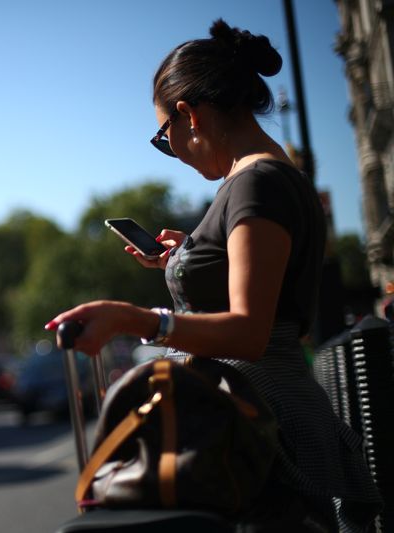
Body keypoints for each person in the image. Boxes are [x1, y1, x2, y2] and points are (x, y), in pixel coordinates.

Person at [45, 19, 381, 532]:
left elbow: (250, 331)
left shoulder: (256, 185)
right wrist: (188, 257)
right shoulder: (263, 179)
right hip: (259, 422)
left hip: (264, 433)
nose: (171, 151)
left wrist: (134, 319)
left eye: (164, 136)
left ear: (189, 115)